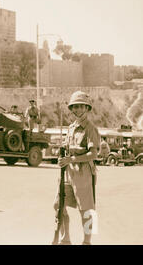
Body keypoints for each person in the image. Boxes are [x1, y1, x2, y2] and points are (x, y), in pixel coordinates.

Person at [54, 91, 100, 245]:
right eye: (75, 107)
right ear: (72, 109)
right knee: (58, 205)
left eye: (81, 106)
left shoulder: (90, 128)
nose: (78, 110)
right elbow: (67, 148)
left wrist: (72, 159)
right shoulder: (71, 127)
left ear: (87, 108)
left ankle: (87, 242)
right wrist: (62, 157)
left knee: (86, 210)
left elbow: (93, 154)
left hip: (83, 172)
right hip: (67, 171)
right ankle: (65, 239)